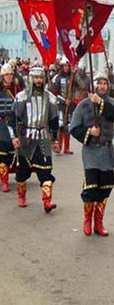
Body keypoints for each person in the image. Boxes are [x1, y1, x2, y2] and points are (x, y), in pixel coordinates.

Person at [70, 72, 114, 236]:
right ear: (94, 85)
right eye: (99, 83)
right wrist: (89, 132)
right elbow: (73, 128)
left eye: (104, 84)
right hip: (91, 151)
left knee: (105, 189)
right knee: (91, 188)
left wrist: (100, 102)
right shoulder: (83, 105)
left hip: (107, 151)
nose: (102, 86)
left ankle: (98, 223)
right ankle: (87, 221)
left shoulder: (112, 103)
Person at [10, 66, 59, 212]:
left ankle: (47, 201)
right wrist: (14, 137)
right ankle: (22, 196)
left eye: (40, 78)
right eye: (36, 78)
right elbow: (13, 118)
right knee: (23, 171)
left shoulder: (50, 98)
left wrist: (55, 140)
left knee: (46, 171)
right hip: (26, 138)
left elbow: (54, 121)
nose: (38, 80)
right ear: (31, 79)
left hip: (43, 137)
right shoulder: (22, 97)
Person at [0, 64, 22, 193]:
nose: (9, 77)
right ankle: (4, 181)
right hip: (1, 124)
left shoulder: (17, 89)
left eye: (10, 75)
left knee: (13, 154)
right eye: (6, 75)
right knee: (2, 154)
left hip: (13, 124)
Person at [50, 56, 76, 154]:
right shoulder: (57, 77)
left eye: (68, 66)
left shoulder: (72, 77)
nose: (66, 68)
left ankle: (67, 147)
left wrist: (71, 99)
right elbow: (53, 92)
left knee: (67, 126)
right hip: (60, 105)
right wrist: (63, 100)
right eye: (65, 66)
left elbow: (76, 89)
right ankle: (59, 146)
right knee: (60, 125)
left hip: (70, 105)